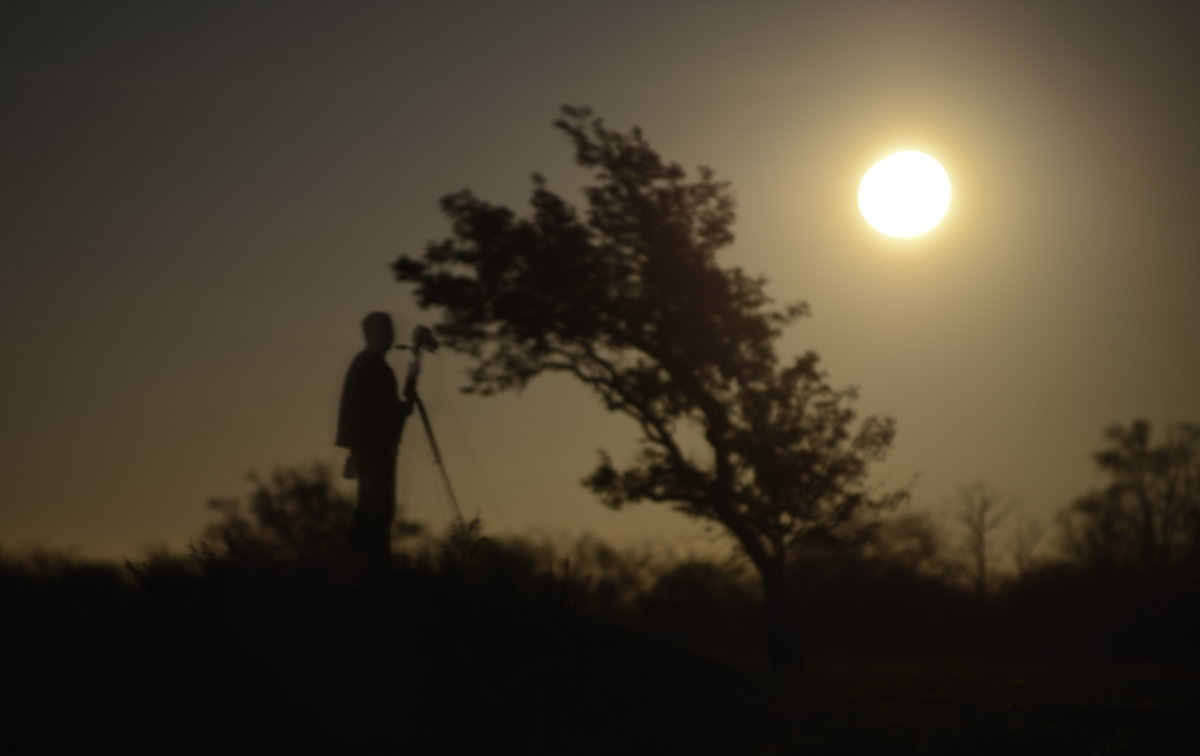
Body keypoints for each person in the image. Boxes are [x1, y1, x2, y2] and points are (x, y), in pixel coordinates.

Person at [336, 312, 410, 568]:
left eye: (390, 330)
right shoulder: (371, 365)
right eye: (384, 331)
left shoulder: (368, 364)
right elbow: (372, 411)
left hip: (371, 449)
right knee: (376, 509)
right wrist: (399, 411)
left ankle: (365, 562)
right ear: (371, 334)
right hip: (373, 450)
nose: (389, 336)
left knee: (373, 507)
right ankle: (371, 564)